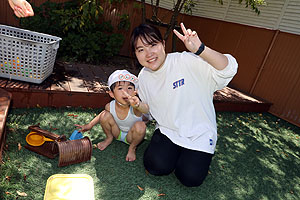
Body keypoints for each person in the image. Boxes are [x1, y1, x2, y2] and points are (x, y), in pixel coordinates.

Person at [130, 23, 238, 187]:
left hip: (199, 134)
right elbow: (148, 111)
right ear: (136, 54)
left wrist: (201, 49)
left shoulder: (186, 60)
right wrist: (138, 106)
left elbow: (228, 69)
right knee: (155, 166)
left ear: (163, 44)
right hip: (169, 130)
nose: (149, 53)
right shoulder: (143, 77)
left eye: (153, 45)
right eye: (141, 49)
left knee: (190, 178)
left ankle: (192, 155)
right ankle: (173, 152)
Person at [75, 70, 150, 162]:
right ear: (112, 94)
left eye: (129, 88)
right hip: (117, 133)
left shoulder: (136, 107)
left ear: (135, 93)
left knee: (141, 126)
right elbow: (101, 115)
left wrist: (138, 105)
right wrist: (89, 126)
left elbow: (145, 109)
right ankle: (109, 138)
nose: (125, 92)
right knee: (105, 116)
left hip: (131, 137)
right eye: (120, 88)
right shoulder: (109, 106)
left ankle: (132, 148)